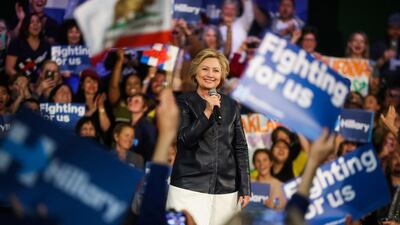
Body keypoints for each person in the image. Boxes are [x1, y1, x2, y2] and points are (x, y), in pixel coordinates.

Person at [167, 48, 251, 225]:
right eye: (205, 69)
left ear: (222, 75)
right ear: (196, 71)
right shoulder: (184, 101)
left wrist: (245, 187)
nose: (210, 74)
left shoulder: (230, 105)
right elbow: (184, 140)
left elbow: (240, 147)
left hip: (226, 190)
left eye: (216, 70)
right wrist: (206, 112)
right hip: (189, 187)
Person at [5, 13, 51, 81]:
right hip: (20, 81)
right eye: (31, 22)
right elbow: (8, 69)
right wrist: (22, 79)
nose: (35, 24)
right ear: (26, 25)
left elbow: (49, 67)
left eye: (38, 21)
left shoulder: (46, 45)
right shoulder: (16, 43)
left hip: (41, 82)